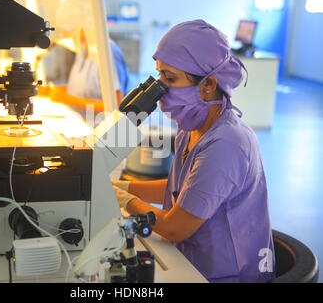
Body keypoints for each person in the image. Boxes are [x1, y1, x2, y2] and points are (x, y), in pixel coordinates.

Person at [113, 20, 275, 283]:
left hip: (227, 276)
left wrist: (122, 200)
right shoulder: (192, 127)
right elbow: (186, 188)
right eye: (159, 76)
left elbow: (175, 228)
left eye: (170, 78)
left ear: (208, 85)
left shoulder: (226, 144)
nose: (161, 90)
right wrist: (121, 186)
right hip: (193, 260)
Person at [48, 29, 129, 121]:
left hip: (100, 128)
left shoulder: (108, 50)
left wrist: (67, 99)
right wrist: (49, 90)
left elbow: (115, 103)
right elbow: (81, 87)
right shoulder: (83, 49)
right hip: (79, 121)